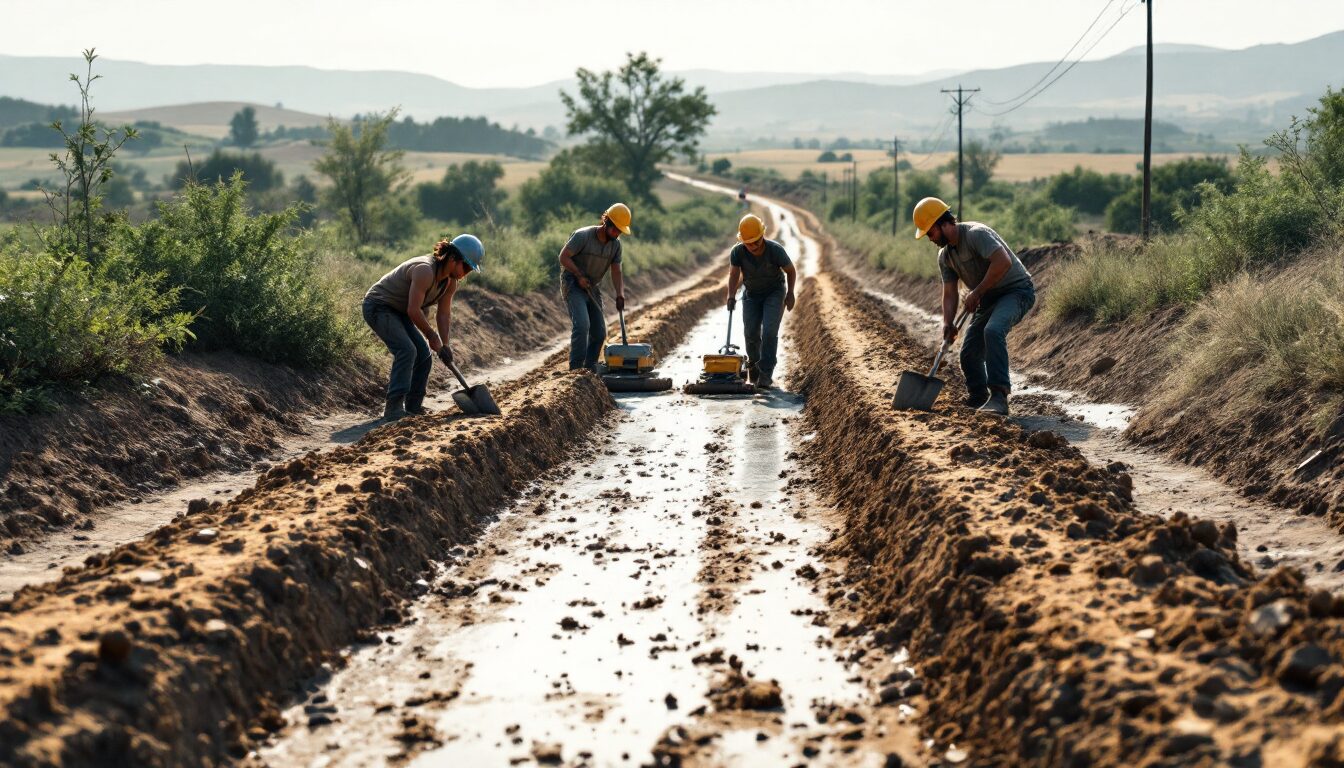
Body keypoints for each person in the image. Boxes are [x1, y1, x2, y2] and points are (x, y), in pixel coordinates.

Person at [913, 197, 1035, 416]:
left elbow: (1003, 262)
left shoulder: (976, 234)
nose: (930, 239)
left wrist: (977, 292)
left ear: (942, 223)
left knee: (993, 330)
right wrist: (948, 323)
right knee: (969, 353)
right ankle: (978, 396)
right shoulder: (945, 256)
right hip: (988, 299)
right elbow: (950, 292)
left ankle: (999, 397)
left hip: (1016, 291)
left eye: (930, 233)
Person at [362, 234, 484, 420]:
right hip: (378, 306)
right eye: (466, 267)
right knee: (407, 350)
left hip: (399, 311)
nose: (465, 273)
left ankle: (413, 406)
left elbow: (443, 314)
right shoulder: (425, 271)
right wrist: (431, 335)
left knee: (424, 355)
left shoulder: (450, 283)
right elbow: (413, 310)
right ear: (453, 259)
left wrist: (445, 345)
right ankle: (394, 408)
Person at [725, 213, 797, 388]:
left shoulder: (775, 250)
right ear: (742, 241)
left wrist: (790, 293)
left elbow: (791, 271)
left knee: (769, 332)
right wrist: (731, 295)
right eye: (748, 243)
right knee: (750, 333)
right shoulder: (737, 252)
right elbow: (734, 275)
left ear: (762, 235)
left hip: (774, 292)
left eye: (756, 242)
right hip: (751, 293)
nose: (753, 246)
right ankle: (753, 369)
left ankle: (766, 373)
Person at [558, 203, 630, 372]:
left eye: (620, 231)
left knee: (599, 333)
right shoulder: (582, 236)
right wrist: (579, 275)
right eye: (615, 229)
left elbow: (617, 271)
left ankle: (589, 369)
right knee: (582, 325)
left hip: (591, 286)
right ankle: (576, 369)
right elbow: (563, 257)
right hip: (573, 283)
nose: (617, 234)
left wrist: (620, 294)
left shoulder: (616, 245)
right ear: (607, 222)